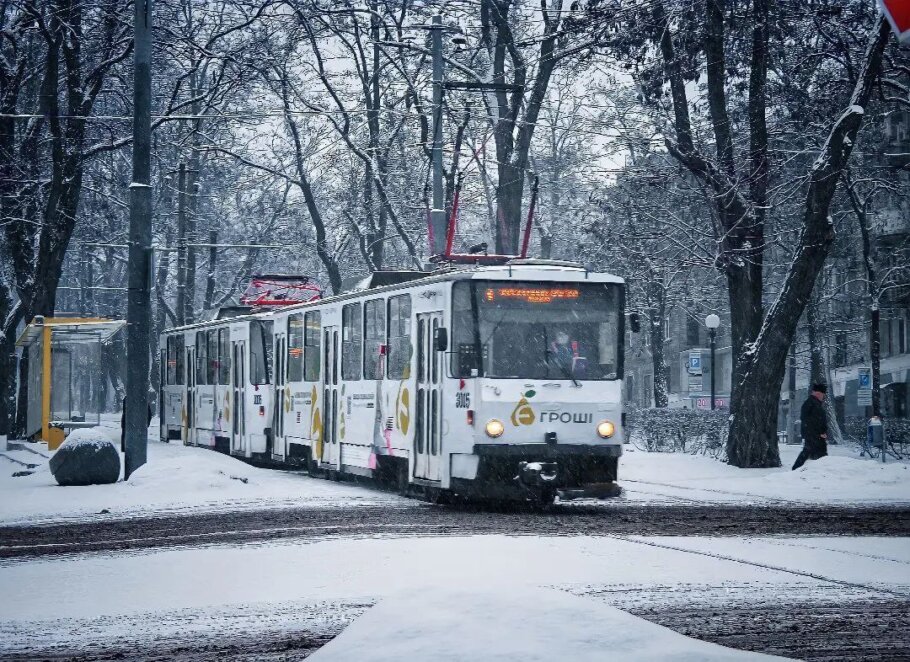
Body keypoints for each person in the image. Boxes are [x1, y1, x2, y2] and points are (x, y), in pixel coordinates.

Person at [792, 383, 828, 470]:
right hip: (814, 435)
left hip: (815, 435)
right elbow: (810, 421)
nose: (823, 397)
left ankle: (798, 470)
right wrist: (819, 433)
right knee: (814, 453)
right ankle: (795, 471)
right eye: (823, 394)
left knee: (812, 453)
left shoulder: (814, 403)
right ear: (818, 393)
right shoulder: (811, 404)